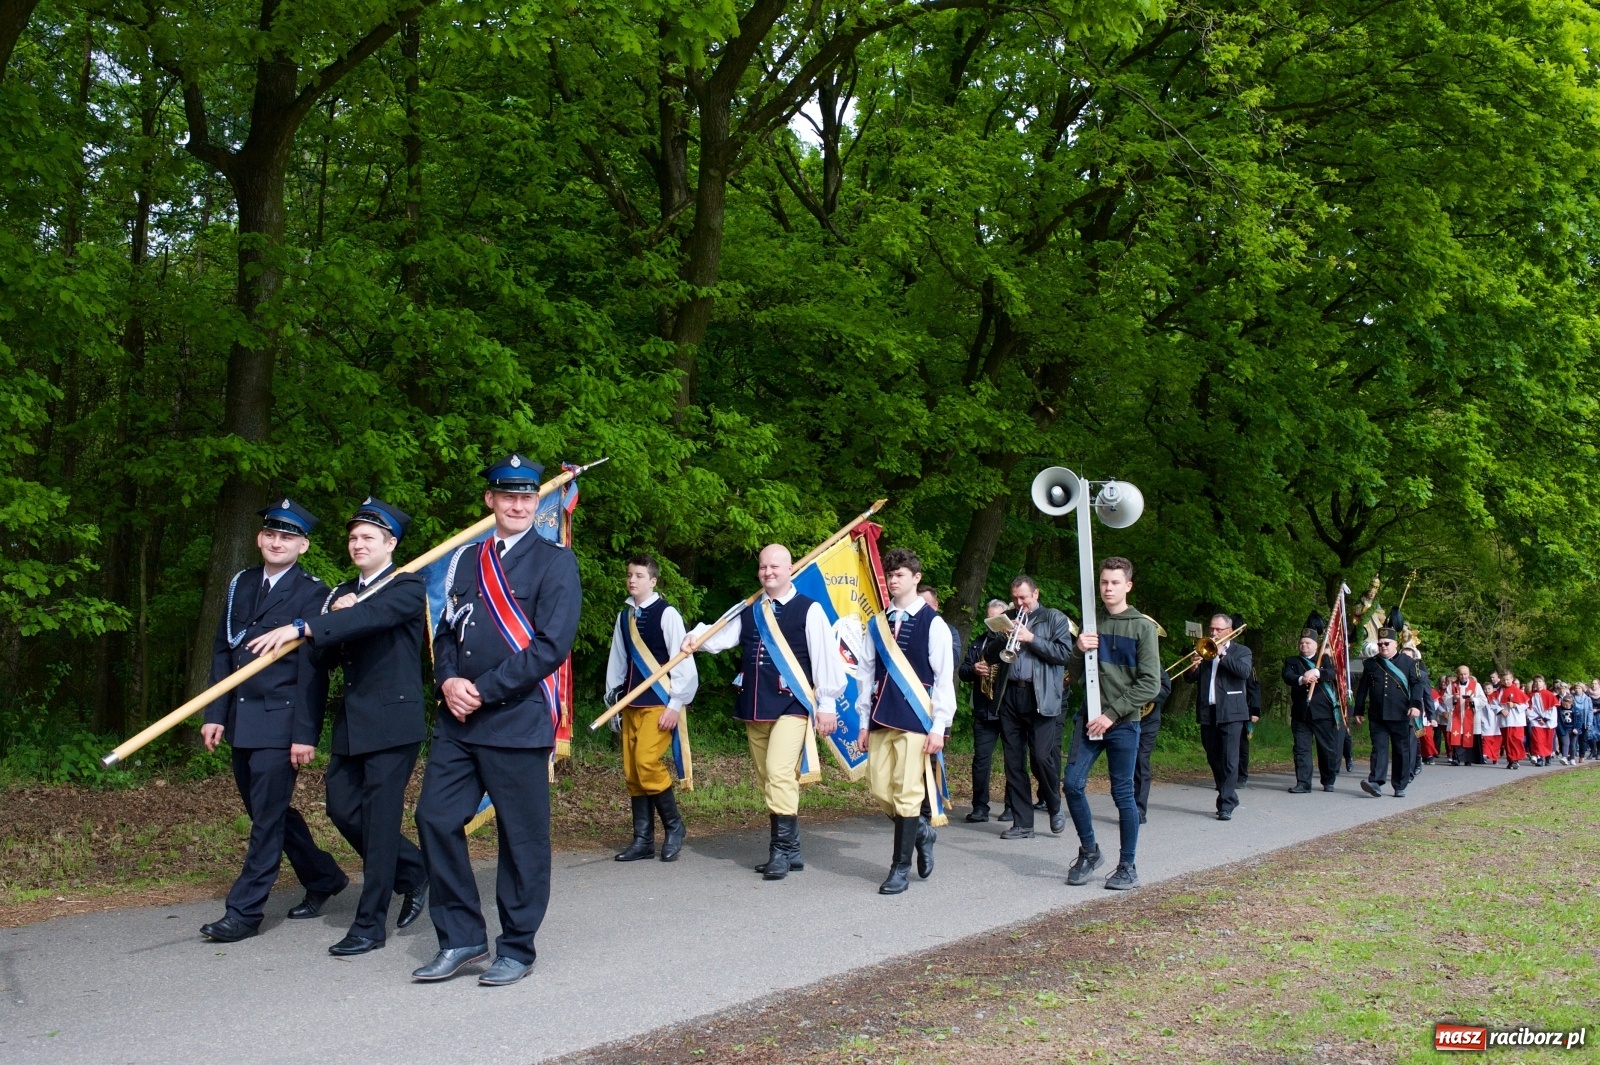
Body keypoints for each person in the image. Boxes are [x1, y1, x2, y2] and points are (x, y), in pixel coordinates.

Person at [412, 454, 582, 987]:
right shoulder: (465, 560)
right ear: (490, 500)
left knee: (522, 838)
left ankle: (517, 946)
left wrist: (481, 691)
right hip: (458, 722)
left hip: (516, 721)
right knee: (434, 820)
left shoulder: (555, 562)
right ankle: (462, 936)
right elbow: (444, 631)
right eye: (507, 495)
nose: (517, 504)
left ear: (537, 501)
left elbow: (552, 646)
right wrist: (446, 681)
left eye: (527, 496)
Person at [248, 498, 430, 956]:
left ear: (391, 544)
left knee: (381, 820)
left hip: (393, 723)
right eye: (353, 537)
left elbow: (373, 618)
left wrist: (314, 623)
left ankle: (370, 925)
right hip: (352, 723)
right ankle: (415, 871)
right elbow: (323, 656)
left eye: (368, 537)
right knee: (342, 809)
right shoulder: (342, 593)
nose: (358, 544)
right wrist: (330, 619)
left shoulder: (406, 587)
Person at [198, 499, 347, 944]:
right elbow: (224, 652)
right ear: (260, 538)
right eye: (270, 534)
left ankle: (243, 913)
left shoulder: (314, 594)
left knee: (265, 820)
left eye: (287, 536)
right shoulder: (241, 584)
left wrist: (305, 734)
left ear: (303, 545)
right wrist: (215, 713)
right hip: (242, 717)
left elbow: (313, 672)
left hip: (281, 724)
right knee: (269, 812)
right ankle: (323, 877)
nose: (276, 542)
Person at [681, 543, 846, 880]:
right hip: (755, 703)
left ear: (789, 570)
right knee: (768, 777)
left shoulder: (809, 610)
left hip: (792, 705)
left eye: (775, 567)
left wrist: (826, 705)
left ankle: (780, 852)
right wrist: (693, 639)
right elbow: (718, 634)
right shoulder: (750, 608)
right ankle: (794, 849)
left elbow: (826, 659)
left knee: (779, 772)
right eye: (763, 568)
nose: (768, 573)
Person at [854, 549, 956, 894]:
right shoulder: (878, 623)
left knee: (908, 793)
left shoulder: (933, 623)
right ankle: (923, 832)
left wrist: (939, 726)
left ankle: (900, 868)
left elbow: (944, 678)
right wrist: (863, 722)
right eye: (891, 575)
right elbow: (865, 673)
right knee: (881, 788)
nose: (894, 580)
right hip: (882, 714)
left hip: (916, 717)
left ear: (916, 578)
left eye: (900, 574)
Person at [1063, 557, 1161, 891]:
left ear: (1128, 586)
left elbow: (1151, 684)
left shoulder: (1142, 627)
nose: (1108, 588)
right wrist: (1078, 649)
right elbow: (1073, 675)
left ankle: (1127, 866)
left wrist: (1112, 714)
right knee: (1072, 785)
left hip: (1123, 724)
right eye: (1104, 582)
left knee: (1123, 796)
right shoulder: (1092, 623)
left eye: (1115, 583)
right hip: (1089, 720)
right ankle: (1090, 851)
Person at [604, 553, 698, 863]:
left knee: (646, 763)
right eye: (630, 574)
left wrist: (675, 704)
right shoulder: (624, 617)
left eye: (639, 575)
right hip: (631, 702)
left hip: (659, 704)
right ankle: (643, 840)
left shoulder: (666, 613)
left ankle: (674, 828)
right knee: (633, 772)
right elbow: (618, 661)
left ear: (653, 581)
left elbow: (682, 660)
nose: (632, 579)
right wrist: (614, 702)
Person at [993, 575, 1075, 840]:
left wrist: (1031, 638)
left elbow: (1064, 654)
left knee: (1041, 758)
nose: (1019, 603)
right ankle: (1023, 823)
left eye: (1024, 598)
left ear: (1035, 594)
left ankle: (1054, 804)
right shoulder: (1008, 617)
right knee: (1013, 762)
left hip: (1040, 698)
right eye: (1015, 598)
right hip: (1010, 696)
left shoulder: (1054, 619)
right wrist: (1001, 636)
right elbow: (990, 655)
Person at [1352, 627, 1424, 797]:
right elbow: (1363, 689)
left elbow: (1417, 685)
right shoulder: (1371, 663)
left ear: (1395, 644)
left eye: (1386, 643)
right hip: (1378, 714)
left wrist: (1415, 705)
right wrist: (1359, 710)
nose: (1383, 646)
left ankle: (1400, 785)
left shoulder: (1409, 663)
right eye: (1380, 644)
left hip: (1401, 714)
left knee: (1401, 750)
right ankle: (1375, 782)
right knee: (1378, 748)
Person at [1193, 614, 1252, 821]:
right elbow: (1189, 679)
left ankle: (1225, 804)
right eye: (1212, 629)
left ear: (1230, 630)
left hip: (1232, 712)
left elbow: (1244, 672)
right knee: (1213, 756)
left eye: (1218, 630)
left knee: (1229, 759)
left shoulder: (1241, 651)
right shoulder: (1204, 649)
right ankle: (1228, 794)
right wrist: (1195, 664)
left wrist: (1221, 655)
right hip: (1208, 711)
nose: (1214, 633)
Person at [959, 599, 1011, 823]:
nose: (993, 624)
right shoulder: (978, 643)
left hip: (1009, 711)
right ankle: (980, 807)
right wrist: (973, 669)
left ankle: (1012, 807)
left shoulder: (1015, 642)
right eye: (989, 620)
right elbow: (962, 671)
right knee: (980, 760)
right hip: (983, 710)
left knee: (1013, 761)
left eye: (998, 619)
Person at [1282, 616, 1342, 793]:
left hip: (1323, 712)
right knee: (1301, 749)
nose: (1304, 646)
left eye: (1308, 643)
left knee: (1327, 749)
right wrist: (1302, 678)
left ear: (1316, 645)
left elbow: (1334, 673)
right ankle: (1303, 783)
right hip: (1301, 712)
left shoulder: (1325, 659)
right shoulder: (1292, 661)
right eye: (1302, 643)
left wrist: (1317, 671)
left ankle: (1328, 779)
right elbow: (1287, 676)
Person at [1132, 670, 1172, 824]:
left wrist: (1142, 694)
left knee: (1142, 759)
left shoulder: (1152, 660)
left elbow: (1165, 689)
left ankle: (1139, 810)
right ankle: (1127, 807)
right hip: (1124, 718)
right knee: (1126, 762)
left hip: (1148, 720)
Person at [1443, 665, 1484, 766]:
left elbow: (1483, 700)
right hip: (1456, 715)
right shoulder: (1452, 685)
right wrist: (1454, 698)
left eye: (1465, 674)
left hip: (1470, 715)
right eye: (1461, 674)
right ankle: (1456, 758)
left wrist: (1473, 700)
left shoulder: (1476, 685)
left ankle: (1468, 759)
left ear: (1469, 674)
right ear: (1458, 674)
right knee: (1456, 735)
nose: (1463, 676)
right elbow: (1445, 698)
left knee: (1468, 735)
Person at [920, 583, 963, 666]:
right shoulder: (905, 625)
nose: (920, 608)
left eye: (925, 605)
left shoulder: (950, 630)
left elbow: (954, 660)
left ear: (935, 605)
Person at [1496, 671, 1530, 769]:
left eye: (1508, 679)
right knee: (1507, 741)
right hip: (1505, 720)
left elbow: (1525, 704)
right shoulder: (1499, 691)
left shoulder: (1518, 691)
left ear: (1512, 679)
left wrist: (1515, 705)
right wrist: (1501, 710)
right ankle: (1511, 759)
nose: (1506, 682)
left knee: (1516, 740)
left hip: (1516, 720)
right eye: (1504, 680)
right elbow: (1494, 704)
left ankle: (1515, 759)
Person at [1528, 675, 1557, 767]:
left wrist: (1545, 719)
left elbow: (1552, 709)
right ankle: (1539, 757)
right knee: (1537, 740)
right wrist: (1538, 718)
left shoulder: (1549, 695)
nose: (1538, 683)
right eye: (1536, 682)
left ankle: (1548, 756)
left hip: (1547, 721)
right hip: (1536, 721)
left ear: (1544, 683)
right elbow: (1529, 709)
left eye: (1540, 681)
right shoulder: (1531, 695)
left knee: (1547, 740)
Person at [1479, 670, 1504, 765]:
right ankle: (1485, 754)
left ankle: (1495, 757)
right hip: (1485, 721)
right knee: (1486, 739)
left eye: (1489, 688)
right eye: (1485, 689)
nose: (1487, 691)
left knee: (1496, 740)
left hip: (1496, 722)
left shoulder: (1496, 698)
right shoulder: (1482, 699)